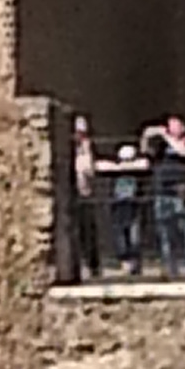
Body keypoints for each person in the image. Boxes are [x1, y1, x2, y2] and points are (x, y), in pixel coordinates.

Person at [148, 113, 185, 280]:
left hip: (180, 193)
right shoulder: (162, 146)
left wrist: (166, 136)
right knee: (166, 234)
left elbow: (184, 152)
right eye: (169, 125)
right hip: (162, 193)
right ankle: (170, 269)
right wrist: (147, 135)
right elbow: (147, 152)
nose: (171, 128)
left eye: (175, 124)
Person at [106, 142, 145, 276]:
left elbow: (144, 164)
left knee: (134, 237)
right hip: (119, 204)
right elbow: (101, 165)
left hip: (133, 204)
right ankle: (125, 264)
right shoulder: (116, 171)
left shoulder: (138, 168)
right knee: (120, 235)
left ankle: (135, 264)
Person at [71, 115, 101, 280]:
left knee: (88, 232)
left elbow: (90, 170)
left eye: (82, 133)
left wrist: (86, 150)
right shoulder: (69, 151)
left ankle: (92, 265)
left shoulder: (88, 150)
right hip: (72, 195)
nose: (80, 137)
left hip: (86, 194)